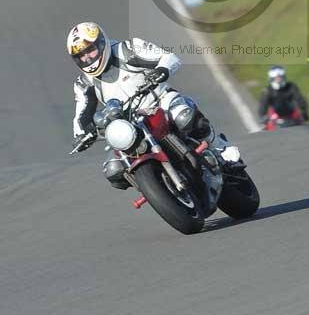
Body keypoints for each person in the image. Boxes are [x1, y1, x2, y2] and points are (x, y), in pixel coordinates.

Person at [67, 21, 242, 190]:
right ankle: (152, 186)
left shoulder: (127, 49)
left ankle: (221, 149)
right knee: (113, 170)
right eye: (80, 55)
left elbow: (168, 57)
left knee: (184, 117)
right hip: (128, 125)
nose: (87, 57)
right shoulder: (83, 82)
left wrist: (161, 70)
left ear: (101, 42)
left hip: (159, 101)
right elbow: (81, 115)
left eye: (90, 49)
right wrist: (82, 134)